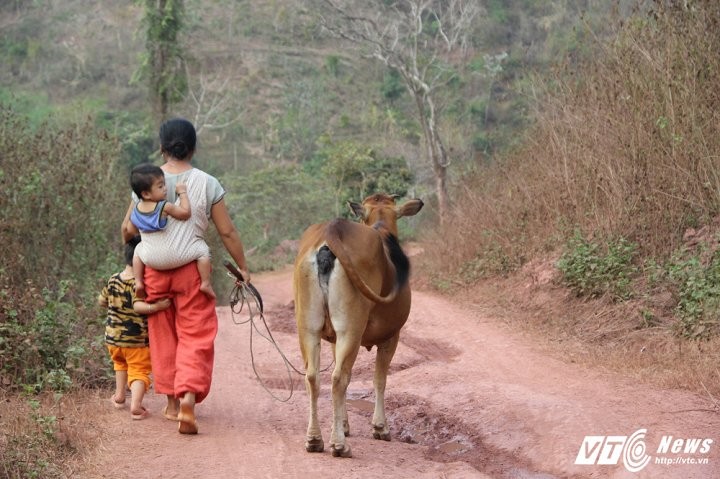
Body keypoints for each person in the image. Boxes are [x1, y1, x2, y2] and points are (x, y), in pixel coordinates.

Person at [121, 117, 251, 435]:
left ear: (162, 147)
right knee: (195, 333)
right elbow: (227, 231)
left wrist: (141, 249)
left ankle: (170, 404)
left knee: (163, 335)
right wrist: (243, 268)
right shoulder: (207, 182)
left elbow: (128, 229)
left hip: (153, 271)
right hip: (192, 271)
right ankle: (189, 395)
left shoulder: (146, 180)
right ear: (193, 147)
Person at [98, 236, 171, 420]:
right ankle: (136, 406)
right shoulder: (140, 284)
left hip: (113, 339)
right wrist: (156, 307)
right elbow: (138, 307)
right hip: (136, 340)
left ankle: (120, 396)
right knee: (138, 370)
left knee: (120, 364)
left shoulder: (113, 279)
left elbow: (101, 301)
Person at [128, 163, 216, 299]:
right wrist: (182, 192)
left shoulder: (136, 209)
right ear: (145, 193)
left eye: (164, 184)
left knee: (138, 250)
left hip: (151, 259)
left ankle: (138, 282)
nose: (165, 189)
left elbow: (130, 229)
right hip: (178, 256)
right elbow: (185, 213)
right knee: (203, 250)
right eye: (160, 186)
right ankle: (205, 283)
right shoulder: (164, 207)